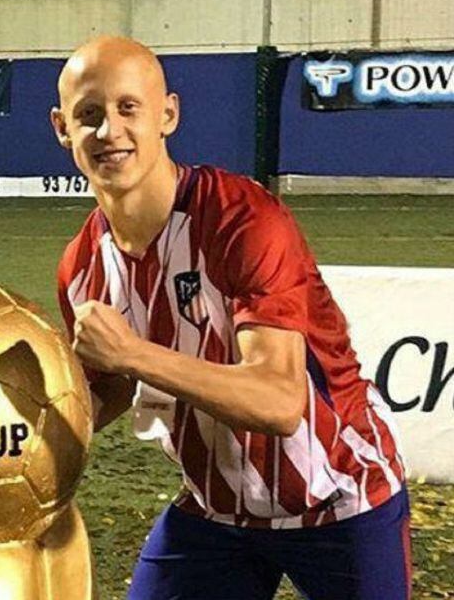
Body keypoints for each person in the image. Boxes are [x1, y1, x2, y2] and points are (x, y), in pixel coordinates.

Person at [52, 36, 409, 600]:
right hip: (216, 512)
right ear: (61, 128)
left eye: (128, 108)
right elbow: (107, 388)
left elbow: (279, 401)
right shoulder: (81, 267)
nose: (109, 131)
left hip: (340, 499)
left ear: (168, 114)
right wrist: (22, 441)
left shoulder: (242, 221)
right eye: (88, 115)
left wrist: (133, 354)